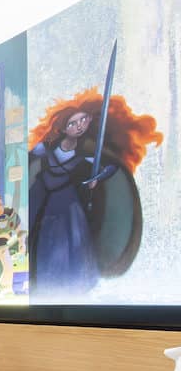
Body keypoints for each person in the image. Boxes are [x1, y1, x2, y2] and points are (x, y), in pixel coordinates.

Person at [28, 89, 160, 299]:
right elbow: (27, 159)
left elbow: (110, 168)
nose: (79, 126)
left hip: (67, 207)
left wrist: (97, 178)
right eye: (73, 123)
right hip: (44, 206)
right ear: (64, 127)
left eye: (83, 121)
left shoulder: (85, 154)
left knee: (71, 249)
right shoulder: (46, 148)